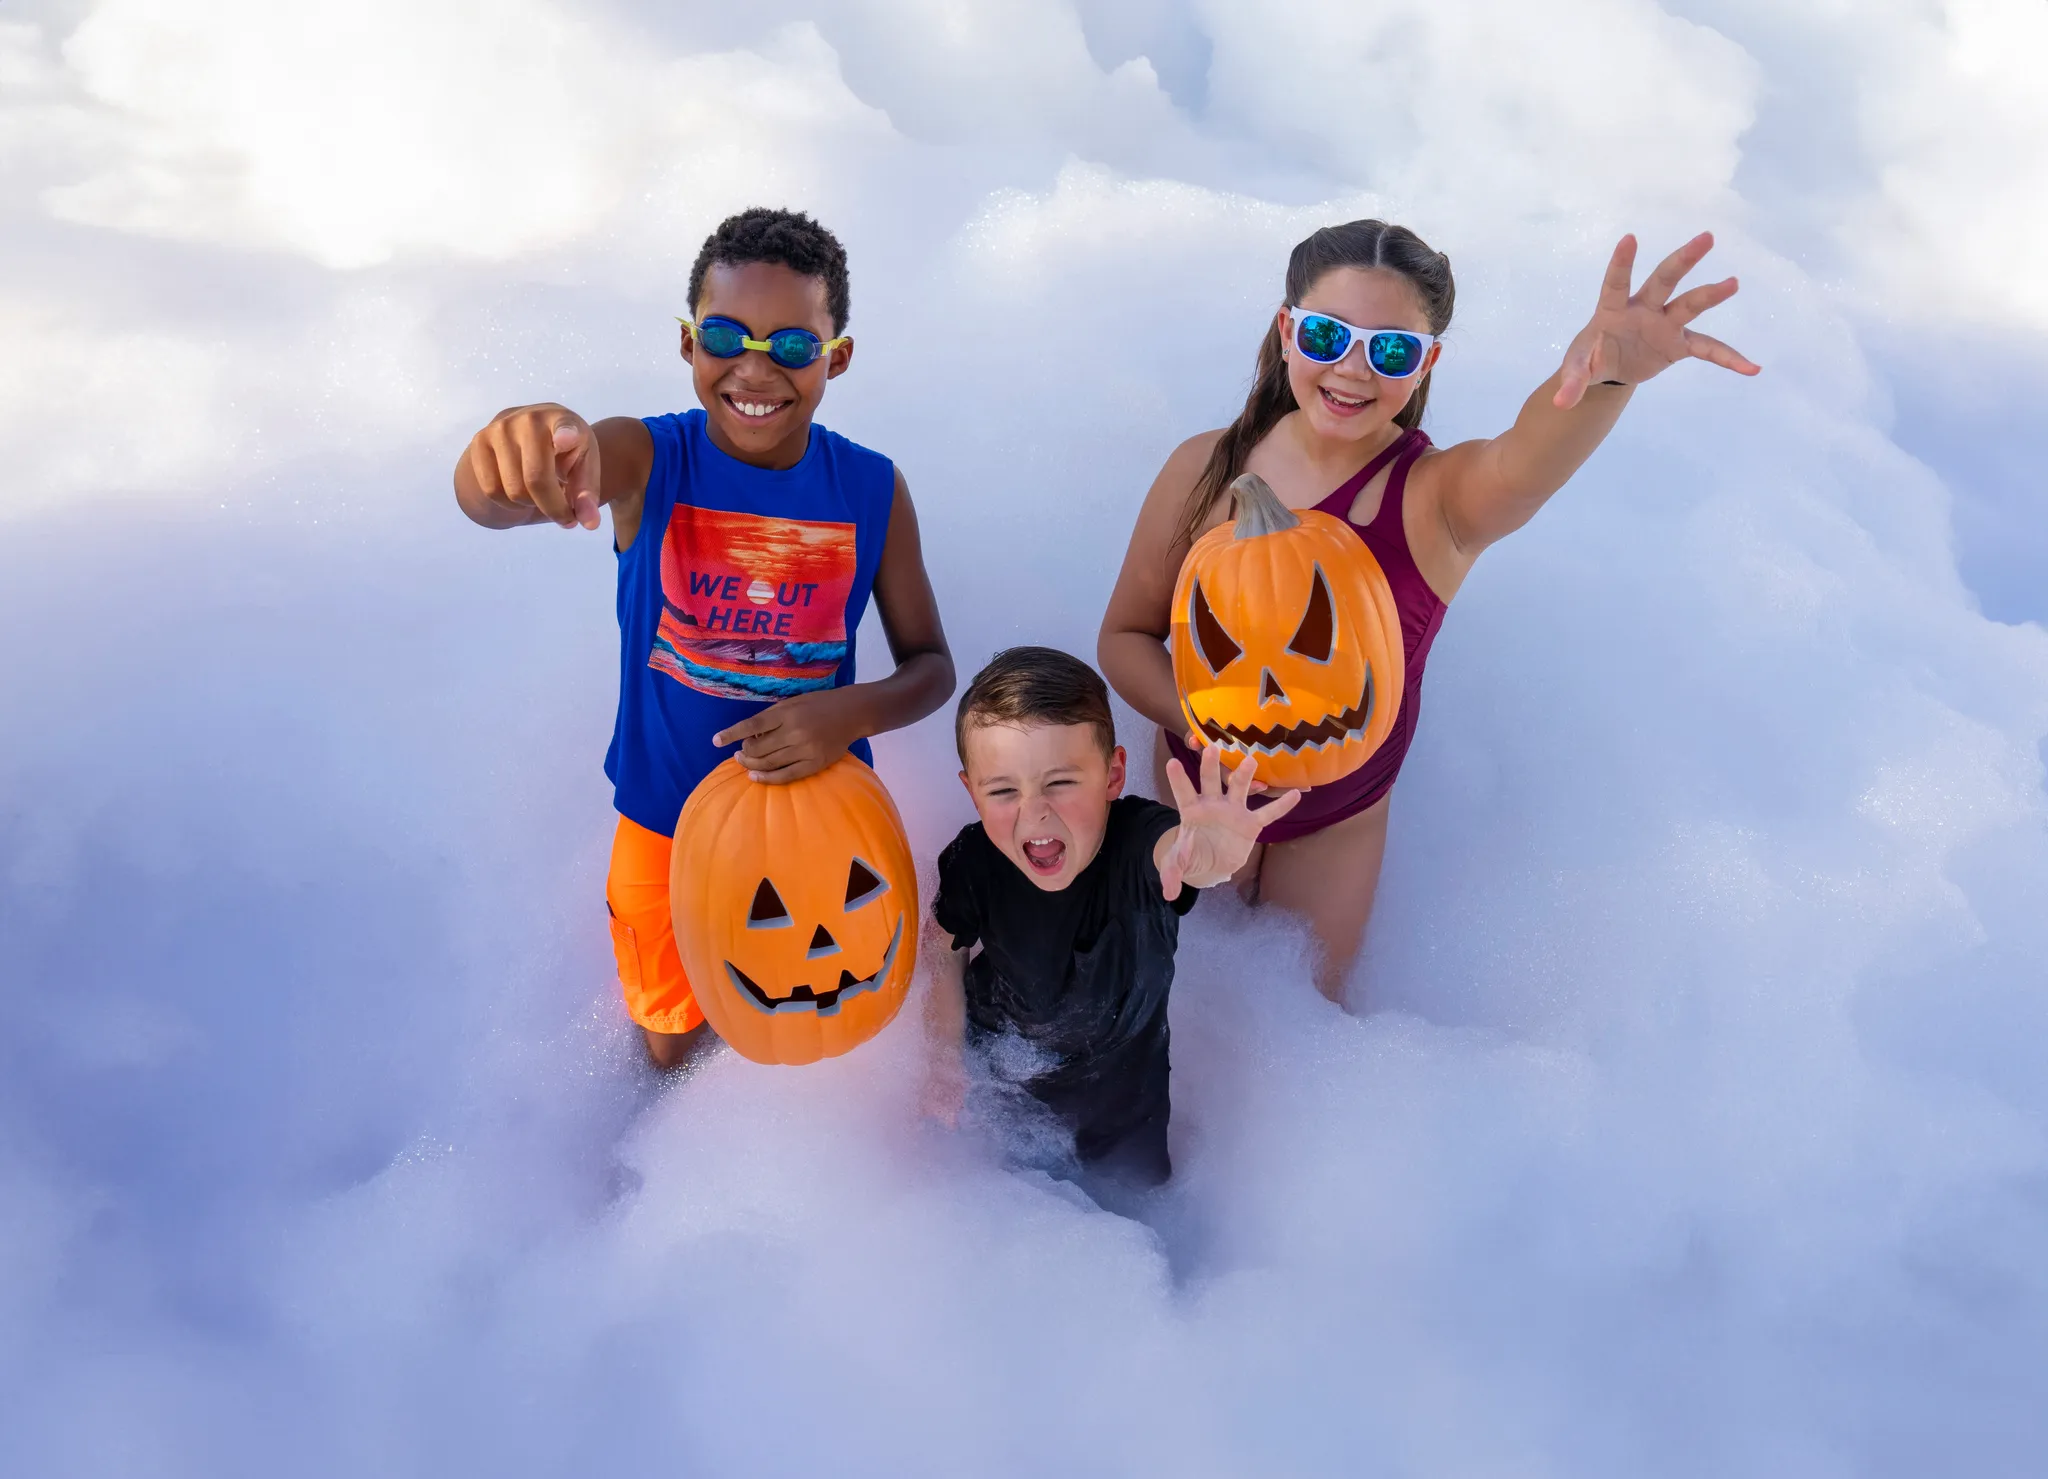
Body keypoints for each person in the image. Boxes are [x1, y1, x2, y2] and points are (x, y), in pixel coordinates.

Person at [1099, 222, 1758, 1003]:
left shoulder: (1436, 499)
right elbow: (1125, 636)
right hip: (1199, 788)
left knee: (1287, 1029)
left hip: (1335, 819)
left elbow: (1526, 458)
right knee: (1171, 1005)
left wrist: (1608, 377)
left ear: (1428, 362)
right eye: (1325, 334)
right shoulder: (1204, 470)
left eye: (1390, 350)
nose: (1351, 369)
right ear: (1286, 331)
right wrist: (1225, 725)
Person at [453, 207, 955, 1069]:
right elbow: (512, 489)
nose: (755, 368)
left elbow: (931, 668)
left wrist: (842, 716)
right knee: (670, 1040)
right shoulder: (651, 460)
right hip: (662, 822)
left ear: (836, 356)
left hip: (820, 823)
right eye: (725, 334)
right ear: (688, 345)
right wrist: (515, 445)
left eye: (793, 345)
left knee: (820, 1019)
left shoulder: (871, 487)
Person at [924, 647, 1297, 1187]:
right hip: (1003, 1077)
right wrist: (942, 1059)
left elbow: (1174, 854)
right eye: (1003, 791)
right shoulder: (973, 861)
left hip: (1123, 1099)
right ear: (971, 792)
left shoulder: (1137, 842)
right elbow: (944, 949)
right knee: (1006, 1208)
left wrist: (1205, 856)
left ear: (1113, 775)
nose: (1035, 812)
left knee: (1130, 1207)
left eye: (1061, 782)